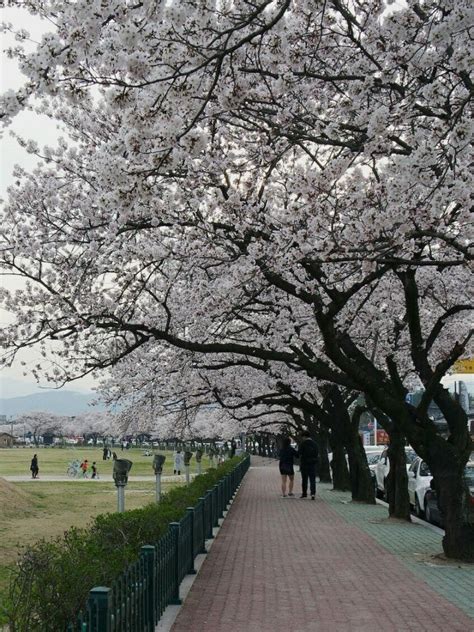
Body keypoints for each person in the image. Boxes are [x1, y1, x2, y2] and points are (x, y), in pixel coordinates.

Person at [298, 430, 319, 500]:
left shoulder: (302, 444)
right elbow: (317, 453)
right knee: (312, 479)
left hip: (304, 463)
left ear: (304, 436)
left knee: (304, 479)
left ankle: (304, 493)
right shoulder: (315, 444)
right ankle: (313, 494)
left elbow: (299, 453)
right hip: (312, 463)